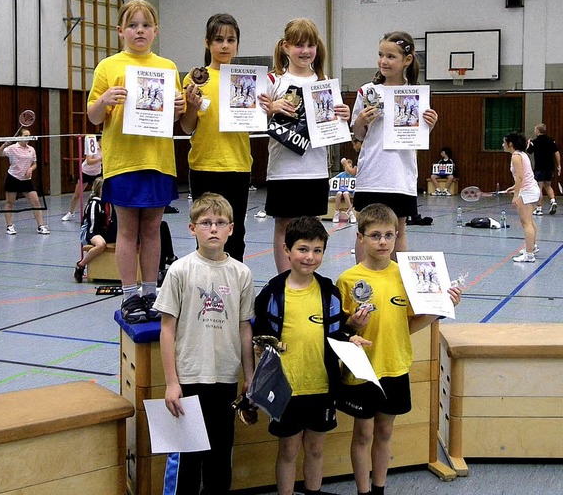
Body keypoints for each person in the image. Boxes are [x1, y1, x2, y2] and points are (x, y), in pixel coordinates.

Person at [335, 203, 462, 495]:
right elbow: (340, 332)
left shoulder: (406, 275)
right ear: (360, 237)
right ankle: (363, 490)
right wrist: (353, 323)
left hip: (395, 365)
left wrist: (443, 307)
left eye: (389, 235)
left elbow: (410, 324)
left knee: (385, 431)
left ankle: (379, 488)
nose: (382, 242)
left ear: (397, 236)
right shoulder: (347, 280)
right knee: (363, 433)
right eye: (375, 235)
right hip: (362, 369)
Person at [254, 216, 370, 495]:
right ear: (287, 250)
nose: (310, 257)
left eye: (317, 250)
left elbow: (337, 332)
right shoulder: (272, 293)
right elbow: (258, 336)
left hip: (321, 387)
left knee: (316, 448)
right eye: (303, 249)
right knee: (288, 450)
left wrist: (350, 336)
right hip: (285, 390)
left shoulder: (329, 292)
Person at [87, 0, 184, 323]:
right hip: (123, 161)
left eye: (145, 25)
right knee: (127, 231)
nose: (139, 30)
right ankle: (130, 295)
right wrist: (104, 100)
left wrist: (180, 107)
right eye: (132, 25)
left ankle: (151, 292)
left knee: (153, 229)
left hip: (158, 160)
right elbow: (93, 116)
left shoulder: (167, 67)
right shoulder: (108, 67)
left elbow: (171, 118)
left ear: (155, 30)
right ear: (120, 31)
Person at [155, 193, 255, 494]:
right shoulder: (180, 271)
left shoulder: (241, 273)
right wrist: (172, 382)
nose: (213, 228)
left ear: (231, 229)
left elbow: (244, 328)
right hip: (189, 378)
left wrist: (249, 376)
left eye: (220, 223)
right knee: (188, 462)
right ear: (191, 228)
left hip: (224, 379)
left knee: (219, 460)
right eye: (206, 223)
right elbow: (167, 329)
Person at [258, 18, 351, 273]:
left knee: (310, 229)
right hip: (282, 170)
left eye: (310, 45)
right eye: (299, 45)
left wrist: (343, 114)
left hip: (315, 170)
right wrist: (271, 109)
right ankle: (283, 280)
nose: (305, 51)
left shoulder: (325, 82)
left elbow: (334, 127)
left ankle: (307, 280)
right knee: (284, 226)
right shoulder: (273, 80)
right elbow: (253, 119)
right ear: (286, 47)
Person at [350, 32, 438, 263]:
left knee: (397, 229)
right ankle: (362, 283)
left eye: (391, 56)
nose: (384, 61)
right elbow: (358, 136)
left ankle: (398, 283)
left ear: (407, 60)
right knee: (364, 230)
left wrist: (430, 124)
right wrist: (360, 122)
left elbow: (417, 138)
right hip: (371, 173)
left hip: (401, 175)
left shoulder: (416, 95)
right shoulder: (366, 91)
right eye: (381, 55)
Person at [181, 13, 252, 262]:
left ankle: (235, 292)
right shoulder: (194, 79)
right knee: (205, 233)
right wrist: (190, 106)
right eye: (219, 39)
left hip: (238, 166)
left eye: (231, 40)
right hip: (203, 166)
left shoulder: (248, 81)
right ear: (207, 42)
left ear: (237, 44)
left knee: (235, 233)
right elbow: (187, 127)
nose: (224, 45)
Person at [0, 128, 50, 235]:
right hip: (13, 178)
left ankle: (41, 226)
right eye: (26, 136)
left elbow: (35, 163)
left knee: (36, 202)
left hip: (26, 180)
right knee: (10, 203)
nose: (28, 137)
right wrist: (4, 145)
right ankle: (9, 226)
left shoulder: (31, 149)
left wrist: (30, 169)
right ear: (19, 137)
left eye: (29, 135)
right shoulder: (12, 148)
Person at [503, 133, 540, 263]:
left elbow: (520, 177)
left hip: (528, 192)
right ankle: (532, 247)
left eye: (504, 142)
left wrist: (516, 195)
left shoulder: (516, 156)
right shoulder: (522, 154)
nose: (503, 145)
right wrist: (513, 187)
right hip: (533, 189)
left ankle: (529, 255)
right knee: (530, 220)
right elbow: (524, 176)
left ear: (510, 144)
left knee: (526, 223)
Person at [74, 177, 117, 283]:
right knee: (101, 244)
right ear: (99, 189)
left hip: (104, 232)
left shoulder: (110, 203)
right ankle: (81, 265)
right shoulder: (94, 204)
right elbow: (92, 226)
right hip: (91, 232)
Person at [62, 136, 103, 221]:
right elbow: (89, 161)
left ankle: (97, 212)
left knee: (99, 193)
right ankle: (71, 212)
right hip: (86, 172)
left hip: (97, 173)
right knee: (77, 194)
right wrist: (101, 159)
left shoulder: (105, 147)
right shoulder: (93, 146)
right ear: (99, 140)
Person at [526, 123, 560, 215]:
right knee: (548, 185)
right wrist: (559, 165)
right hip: (550, 167)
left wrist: (529, 143)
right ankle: (553, 201)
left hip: (539, 168)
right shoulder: (551, 141)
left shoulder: (535, 142)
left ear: (538, 131)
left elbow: (528, 151)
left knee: (538, 188)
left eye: (535, 130)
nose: (534, 131)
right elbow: (556, 153)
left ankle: (539, 208)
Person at [333, 157, 358, 224]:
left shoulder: (353, 175)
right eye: (347, 166)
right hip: (341, 191)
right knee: (339, 193)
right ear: (344, 167)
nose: (348, 168)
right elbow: (332, 180)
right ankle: (336, 212)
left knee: (345, 193)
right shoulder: (341, 174)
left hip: (350, 192)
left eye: (350, 166)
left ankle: (351, 212)